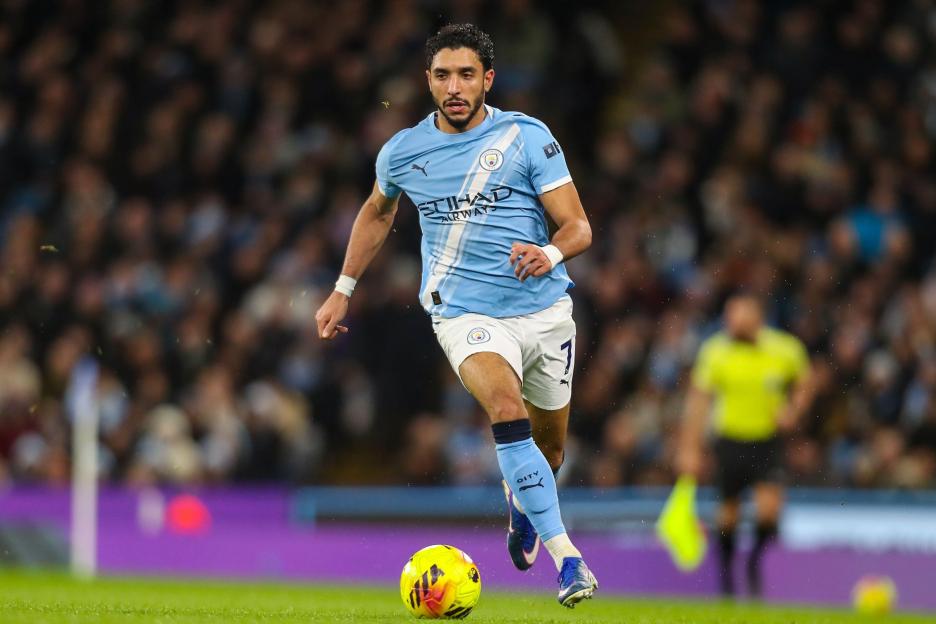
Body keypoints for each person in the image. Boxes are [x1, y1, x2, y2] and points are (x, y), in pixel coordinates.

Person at [314, 23, 597, 607]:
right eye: (443, 75)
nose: (455, 86)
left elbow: (578, 227)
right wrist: (343, 287)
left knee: (550, 452)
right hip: (463, 313)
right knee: (504, 406)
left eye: (467, 74)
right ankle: (569, 561)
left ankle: (523, 501)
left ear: (488, 79)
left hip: (544, 313)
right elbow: (375, 212)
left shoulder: (526, 137)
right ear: (428, 81)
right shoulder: (404, 151)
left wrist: (546, 253)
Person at [678, 294, 815, 597]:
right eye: (730, 317)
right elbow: (699, 402)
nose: (733, 323)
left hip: (767, 442)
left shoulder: (784, 349)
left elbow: (806, 381)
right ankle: (727, 581)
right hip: (729, 442)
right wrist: (689, 448)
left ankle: (753, 562)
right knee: (728, 517)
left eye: (739, 316)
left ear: (757, 317)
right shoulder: (716, 351)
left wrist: (795, 408)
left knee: (769, 512)